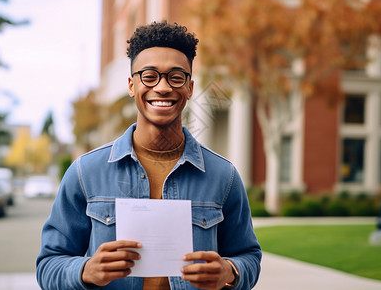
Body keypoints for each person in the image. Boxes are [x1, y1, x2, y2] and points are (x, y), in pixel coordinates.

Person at [36, 21, 261, 290]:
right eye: (150, 76)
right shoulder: (85, 172)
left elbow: (249, 257)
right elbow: (48, 264)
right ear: (132, 85)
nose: (163, 87)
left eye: (176, 77)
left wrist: (230, 271)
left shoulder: (223, 176)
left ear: (190, 87)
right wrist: (85, 270)